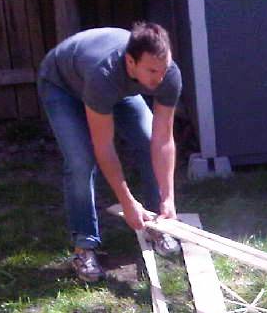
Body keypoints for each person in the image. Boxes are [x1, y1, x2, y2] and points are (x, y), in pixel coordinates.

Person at [37, 22, 183, 282]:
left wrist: (168, 197)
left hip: (118, 86)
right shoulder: (102, 76)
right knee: (81, 160)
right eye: (152, 71)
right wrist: (127, 203)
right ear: (130, 61)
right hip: (62, 85)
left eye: (163, 70)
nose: (159, 79)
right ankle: (84, 246)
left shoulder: (167, 74)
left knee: (147, 138)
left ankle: (156, 224)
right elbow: (103, 146)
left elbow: (162, 140)